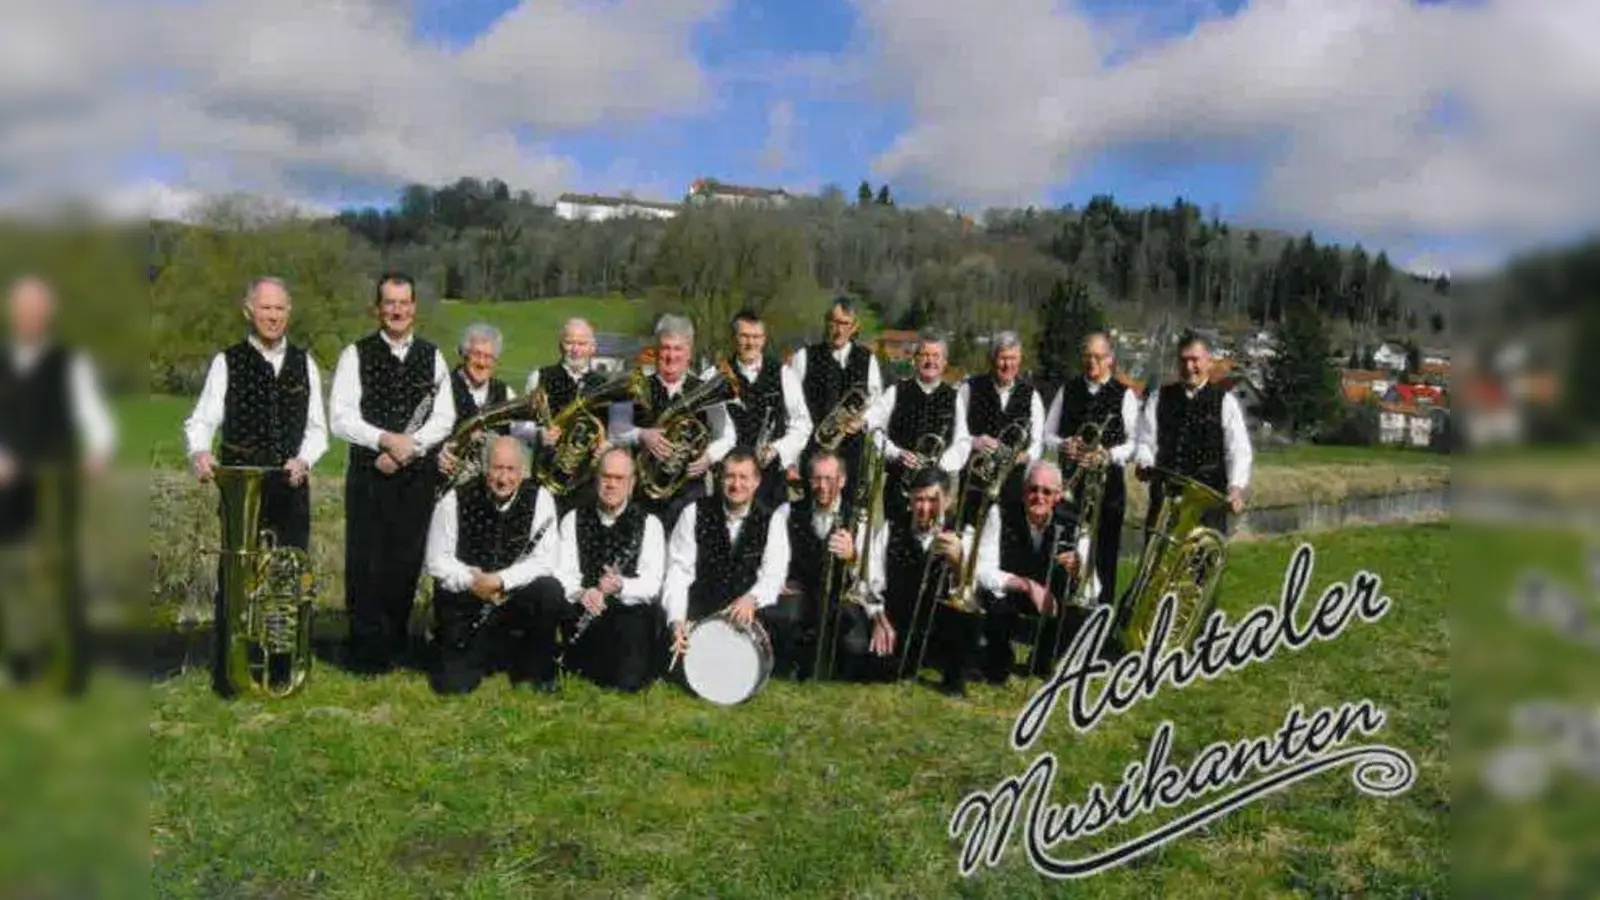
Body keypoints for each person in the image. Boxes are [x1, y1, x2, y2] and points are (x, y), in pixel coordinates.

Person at [329, 272, 456, 674]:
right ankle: (366, 651)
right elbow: (341, 418)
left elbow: (445, 417)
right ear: (377, 308)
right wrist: (384, 439)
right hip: (369, 475)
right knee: (366, 562)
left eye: (404, 302)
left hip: (414, 476)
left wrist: (408, 448)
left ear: (414, 307)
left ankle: (397, 642)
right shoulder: (355, 354)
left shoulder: (433, 356)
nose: (397, 310)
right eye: (389, 303)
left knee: (405, 560)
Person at [0, 276, 116, 692]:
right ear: (12, 314)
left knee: (62, 573)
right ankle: (21, 660)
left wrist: (98, 452)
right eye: (23, 309)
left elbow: (96, 418)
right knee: (12, 575)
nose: (30, 317)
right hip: (8, 489)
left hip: (57, 483)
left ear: (48, 315)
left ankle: (70, 669)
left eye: (37, 310)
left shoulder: (71, 362)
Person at [422, 436, 564, 694]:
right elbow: (436, 561)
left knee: (550, 590)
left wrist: (500, 580)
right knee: (453, 686)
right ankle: (455, 646)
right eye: (497, 468)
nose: (503, 478)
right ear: (485, 468)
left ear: (522, 472)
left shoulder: (540, 498)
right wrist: (471, 581)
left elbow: (546, 560)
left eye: (511, 470)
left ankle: (536, 668)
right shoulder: (454, 499)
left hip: (512, 600)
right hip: (468, 603)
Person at [861, 467, 1004, 696]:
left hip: (942, 625)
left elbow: (972, 594)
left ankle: (953, 677)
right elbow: (871, 578)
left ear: (947, 501)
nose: (925, 508)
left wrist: (959, 564)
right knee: (874, 666)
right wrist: (878, 617)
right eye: (919, 499)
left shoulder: (963, 533)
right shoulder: (891, 528)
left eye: (932, 500)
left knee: (969, 615)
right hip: (899, 622)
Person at [662, 450, 793, 670]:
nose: (736, 484)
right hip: (700, 609)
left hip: (745, 612)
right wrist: (677, 619)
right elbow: (678, 571)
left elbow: (774, 574)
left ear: (757, 482)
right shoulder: (693, 513)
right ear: (720, 479)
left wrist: (752, 598)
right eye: (730, 476)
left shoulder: (772, 520)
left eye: (744, 477)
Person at [551, 446, 666, 693]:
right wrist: (583, 593)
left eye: (619, 478)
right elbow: (563, 574)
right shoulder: (573, 518)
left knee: (627, 682)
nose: (611, 484)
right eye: (606, 477)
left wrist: (621, 585)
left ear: (632, 483)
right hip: (586, 609)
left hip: (629, 613)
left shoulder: (650, 523)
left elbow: (652, 585)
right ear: (596, 479)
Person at [1041, 331, 1141, 607]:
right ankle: (1064, 616)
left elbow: (1135, 443)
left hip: (1108, 491)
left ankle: (1102, 621)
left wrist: (1107, 454)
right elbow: (1046, 434)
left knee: (1104, 557)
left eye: (1098, 357)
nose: (1092, 362)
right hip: (1070, 491)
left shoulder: (1125, 395)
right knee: (1067, 554)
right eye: (1087, 356)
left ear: (1110, 359)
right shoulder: (1068, 389)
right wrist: (1064, 445)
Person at [609, 315, 733, 530]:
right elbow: (615, 431)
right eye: (665, 348)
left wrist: (708, 457)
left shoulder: (706, 390)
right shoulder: (635, 386)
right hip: (642, 494)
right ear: (656, 350)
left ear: (689, 353)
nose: (671, 355)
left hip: (691, 494)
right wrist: (642, 435)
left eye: (678, 349)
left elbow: (728, 435)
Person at [977, 460, 1092, 684]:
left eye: (1047, 491)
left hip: (1051, 598)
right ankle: (999, 658)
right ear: (1023, 492)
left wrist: (1080, 570)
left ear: (1058, 496)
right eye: (1033, 489)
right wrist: (1027, 585)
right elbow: (982, 570)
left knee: (1077, 605)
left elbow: (1093, 585)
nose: (1039, 497)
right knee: (992, 597)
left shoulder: (1075, 525)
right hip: (1010, 592)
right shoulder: (999, 514)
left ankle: (1043, 660)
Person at [1134, 331, 1254, 536]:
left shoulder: (1225, 402)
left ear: (1208, 362)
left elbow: (1238, 450)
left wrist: (1235, 488)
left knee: (1201, 566)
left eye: (1195, 360)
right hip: (1165, 502)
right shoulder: (1158, 398)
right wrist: (1144, 461)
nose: (1189, 367)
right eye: (1183, 360)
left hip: (1208, 506)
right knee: (1155, 565)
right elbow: (1146, 440)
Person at [778, 450, 870, 681]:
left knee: (856, 646)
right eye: (816, 478)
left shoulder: (859, 517)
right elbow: (776, 553)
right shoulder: (789, 511)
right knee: (786, 618)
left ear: (842, 481)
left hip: (840, 594)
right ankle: (797, 657)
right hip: (801, 589)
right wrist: (778, 579)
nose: (822, 485)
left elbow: (869, 574)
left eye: (829, 478)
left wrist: (853, 556)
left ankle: (829, 655)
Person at [865, 332, 971, 528]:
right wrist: (895, 453)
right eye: (924, 355)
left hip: (937, 490)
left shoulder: (954, 397)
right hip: (899, 488)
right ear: (915, 360)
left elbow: (963, 441)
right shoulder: (896, 391)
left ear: (944, 362)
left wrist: (941, 464)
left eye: (936, 356)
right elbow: (870, 425)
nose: (930, 361)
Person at [714, 309, 811, 508]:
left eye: (756, 337)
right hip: (731, 480)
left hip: (771, 479)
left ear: (764, 339)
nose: (751, 343)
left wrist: (778, 449)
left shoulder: (783, 374)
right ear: (734, 338)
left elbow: (802, 424)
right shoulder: (715, 376)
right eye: (744, 336)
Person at [787, 297, 884, 490]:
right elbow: (790, 411)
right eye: (834, 322)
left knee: (847, 514)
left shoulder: (867, 359)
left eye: (845, 323)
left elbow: (877, 405)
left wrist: (863, 422)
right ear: (826, 322)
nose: (838, 330)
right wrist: (791, 460)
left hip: (851, 452)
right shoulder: (804, 357)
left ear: (855, 326)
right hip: (813, 452)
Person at [956, 331, 1044, 526]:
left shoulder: (1032, 395)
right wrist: (974, 442)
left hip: (1013, 486)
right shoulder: (969, 389)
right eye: (1003, 358)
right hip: (974, 485)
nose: (1008, 365)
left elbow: (1038, 441)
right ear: (992, 359)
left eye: (1013, 358)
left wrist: (1027, 456)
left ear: (1020, 360)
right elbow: (957, 434)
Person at [521, 317, 608, 515]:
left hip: (587, 483)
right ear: (560, 345)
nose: (575, 350)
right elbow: (518, 427)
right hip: (546, 477)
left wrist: (605, 445)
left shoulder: (604, 385)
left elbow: (610, 433)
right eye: (569, 342)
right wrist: (539, 434)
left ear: (592, 348)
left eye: (581, 343)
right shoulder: (539, 377)